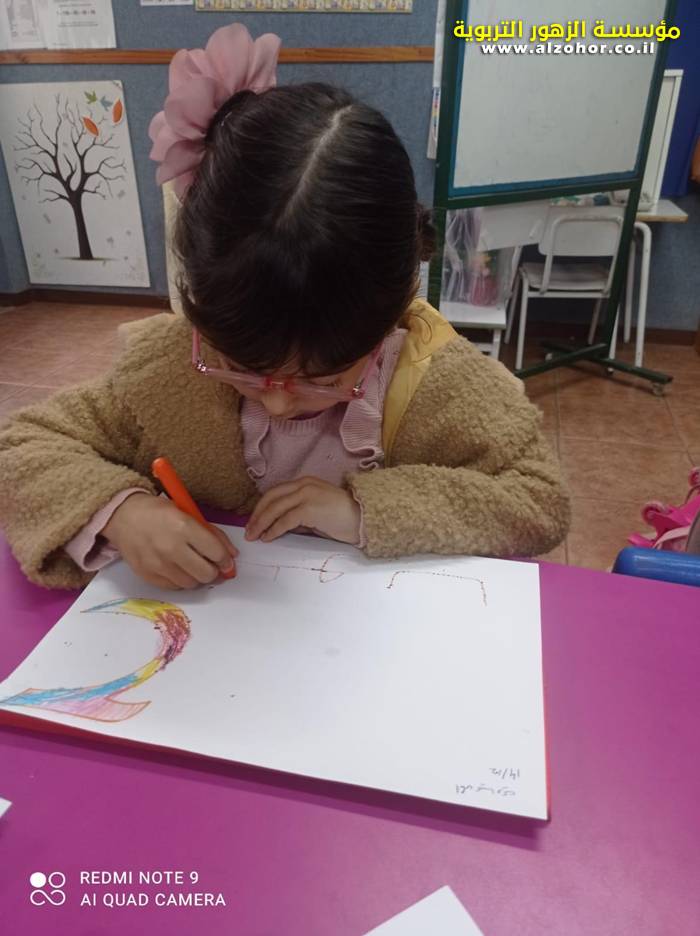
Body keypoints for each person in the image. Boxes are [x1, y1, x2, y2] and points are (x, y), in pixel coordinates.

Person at [0, 24, 570, 592]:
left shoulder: (437, 381)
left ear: (390, 313)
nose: (275, 401)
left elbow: (539, 499)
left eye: (323, 378)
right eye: (242, 366)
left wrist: (365, 510)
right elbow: (22, 448)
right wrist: (121, 513)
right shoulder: (170, 370)